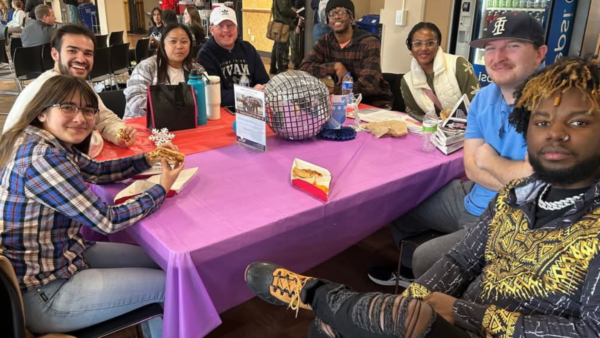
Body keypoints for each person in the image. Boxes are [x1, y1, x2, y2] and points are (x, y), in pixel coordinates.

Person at [245, 56, 600, 338]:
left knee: (343, 322)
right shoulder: (515, 195)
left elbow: (590, 330)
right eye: (541, 122)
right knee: (330, 328)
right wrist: (407, 305)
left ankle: (318, 294)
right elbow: (461, 260)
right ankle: (343, 305)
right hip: (451, 323)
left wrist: (459, 312)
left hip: (479, 324)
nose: (555, 134)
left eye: (578, 122)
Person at [368, 11, 546, 287]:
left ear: (539, 53)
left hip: (510, 218)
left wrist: (489, 160)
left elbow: (535, 185)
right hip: (470, 197)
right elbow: (471, 168)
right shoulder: (483, 98)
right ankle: (409, 275)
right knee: (397, 199)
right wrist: (505, 171)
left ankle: (433, 288)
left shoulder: (553, 105)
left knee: (427, 258)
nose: (498, 57)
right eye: (490, 48)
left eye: (512, 46)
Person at [0, 75, 186, 337]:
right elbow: (106, 220)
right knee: (174, 288)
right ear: (42, 111)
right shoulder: (41, 159)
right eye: (68, 108)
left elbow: (96, 170)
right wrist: (162, 188)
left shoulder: (44, 141)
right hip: (45, 293)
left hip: (65, 256)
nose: (80, 118)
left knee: (161, 260)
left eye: (88, 110)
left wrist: (148, 158)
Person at [3, 24, 136, 152]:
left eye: (88, 53)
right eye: (72, 51)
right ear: (55, 54)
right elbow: (82, 144)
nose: (81, 59)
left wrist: (120, 134)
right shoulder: (45, 89)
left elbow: (104, 119)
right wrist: (95, 136)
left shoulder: (78, 85)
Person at [299, 0, 392, 109]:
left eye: (341, 12)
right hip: (343, 102)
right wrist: (334, 66)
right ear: (328, 21)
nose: (336, 17)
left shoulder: (369, 42)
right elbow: (304, 68)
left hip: (372, 103)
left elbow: (369, 85)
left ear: (351, 18)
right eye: (331, 14)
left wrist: (335, 91)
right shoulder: (325, 41)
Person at [401, 22, 480, 121]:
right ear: (410, 47)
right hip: (430, 132)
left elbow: (477, 104)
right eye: (417, 43)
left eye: (430, 43)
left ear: (438, 44)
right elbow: (415, 116)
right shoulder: (407, 81)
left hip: (466, 131)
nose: (424, 48)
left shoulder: (458, 64)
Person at [124, 23, 202, 119]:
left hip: (184, 123)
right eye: (173, 41)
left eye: (184, 41)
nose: (179, 46)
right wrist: (174, 111)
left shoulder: (196, 70)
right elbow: (136, 102)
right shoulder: (146, 67)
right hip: (143, 126)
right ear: (163, 44)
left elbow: (206, 98)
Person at [197, 5, 270, 107]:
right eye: (220, 26)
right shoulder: (205, 55)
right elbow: (215, 95)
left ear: (237, 28)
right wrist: (251, 93)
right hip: (222, 112)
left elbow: (264, 82)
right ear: (211, 29)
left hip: (254, 108)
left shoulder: (248, 49)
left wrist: (261, 90)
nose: (226, 30)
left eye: (230, 25)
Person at [269, 0, 298, 74]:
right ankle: (281, 69)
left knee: (276, 46)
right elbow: (284, 9)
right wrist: (294, 14)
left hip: (278, 24)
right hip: (283, 25)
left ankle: (273, 68)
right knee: (282, 48)